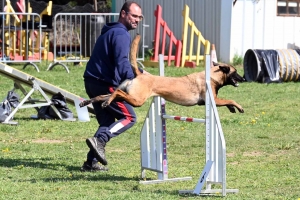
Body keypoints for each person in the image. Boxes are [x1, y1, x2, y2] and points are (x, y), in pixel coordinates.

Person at [80, 1, 146, 172]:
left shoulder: (111, 31)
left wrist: (138, 70)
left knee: (108, 121)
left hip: (92, 82)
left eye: (139, 17)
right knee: (129, 117)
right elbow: (122, 62)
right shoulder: (121, 34)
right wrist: (136, 79)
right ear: (123, 14)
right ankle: (100, 141)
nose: (137, 20)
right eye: (134, 16)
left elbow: (119, 61)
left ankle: (91, 163)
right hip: (104, 85)